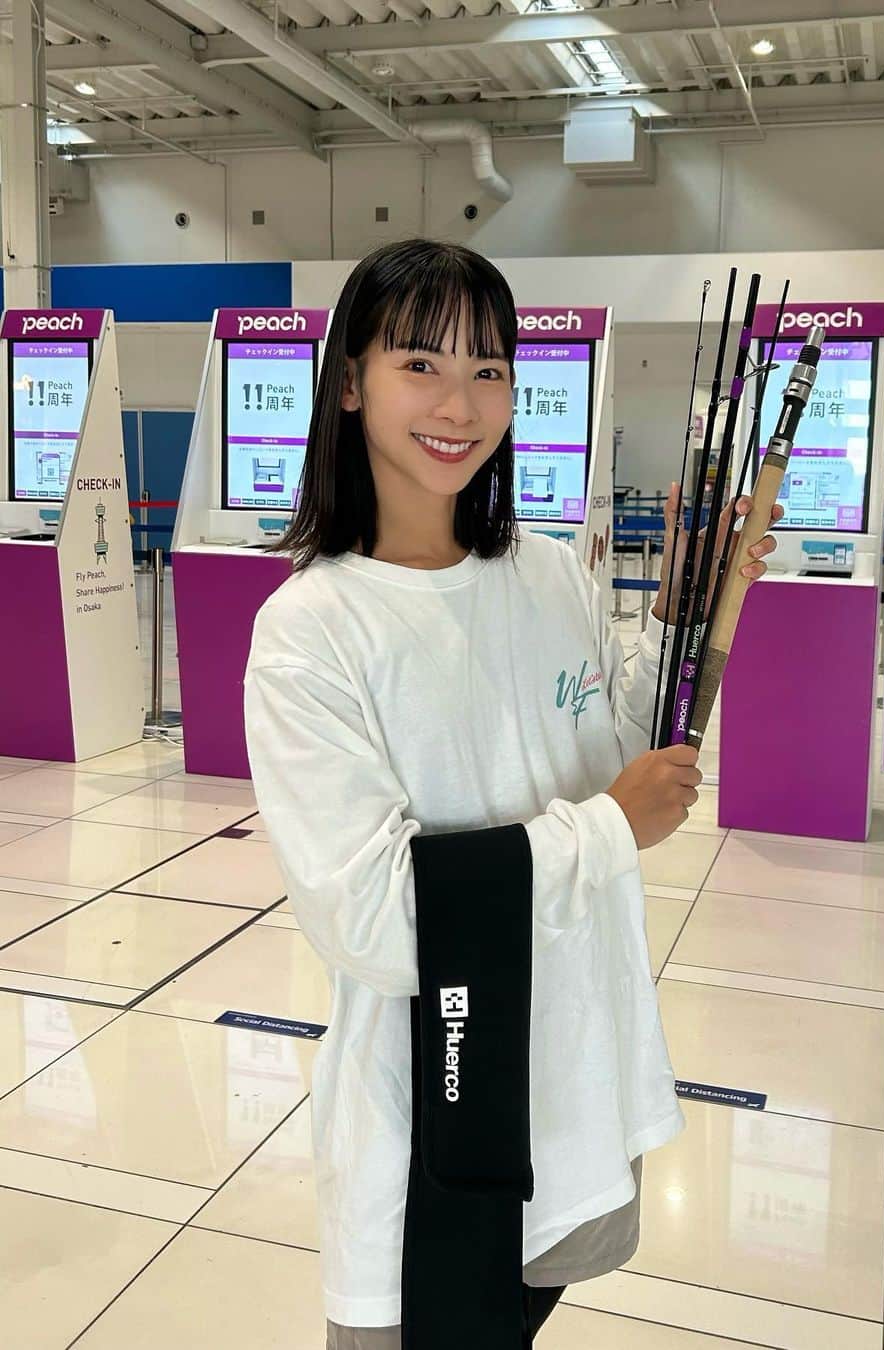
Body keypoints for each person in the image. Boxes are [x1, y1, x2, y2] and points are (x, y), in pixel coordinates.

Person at [243, 239, 781, 1349]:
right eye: (421, 364)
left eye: (489, 369)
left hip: (574, 1075)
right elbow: (374, 918)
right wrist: (607, 830)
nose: (460, 404)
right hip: (432, 1102)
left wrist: (686, 620)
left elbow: (615, 758)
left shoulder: (543, 571)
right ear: (349, 383)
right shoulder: (309, 630)